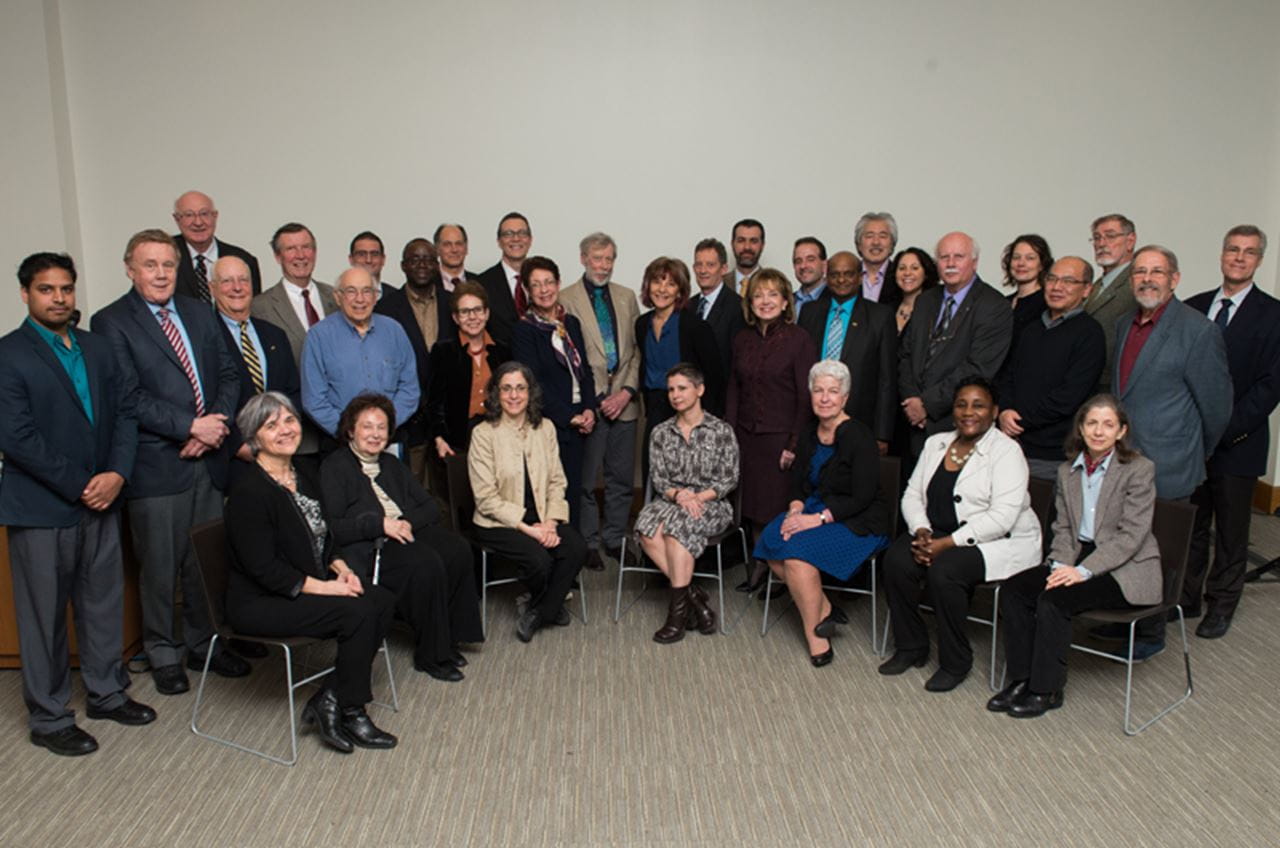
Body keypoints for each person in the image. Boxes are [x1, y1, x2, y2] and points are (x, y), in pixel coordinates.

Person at [0, 252, 155, 757]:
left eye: (66, 289)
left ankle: (107, 692)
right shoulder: (9, 355)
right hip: (42, 508)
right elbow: (17, 438)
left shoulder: (97, 347)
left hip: (103, 499)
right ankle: (49, 717)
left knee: (102, 602)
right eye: (47, 290)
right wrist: (85, 483)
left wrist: (116, 474)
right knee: (44, 616)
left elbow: (126, 413)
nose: (59, 298)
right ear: (25, 294)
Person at [91, 229, 248, 696]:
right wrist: (189, 427)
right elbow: (128, 396)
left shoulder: (201, 312)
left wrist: (214, 425)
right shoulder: (111, 321)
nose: (161, 274)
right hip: (157, 464)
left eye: (168, 265)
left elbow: (227, 372)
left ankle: (204, 644)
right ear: (129, 268)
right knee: (160, 565)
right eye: (150, 265)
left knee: (205, 561)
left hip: (208, 457)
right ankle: (163, 651)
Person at [224, 392, 398, 753]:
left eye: (289, 420)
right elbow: (265, 569)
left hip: (307, 583)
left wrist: (342, 569)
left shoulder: (303, 472)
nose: (285, 430)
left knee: (381, 599)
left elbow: (326, 534)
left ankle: (330, 698)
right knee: (358, 612)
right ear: (255, 438)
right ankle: (352, 710)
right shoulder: (248, 491)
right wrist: (327, 588)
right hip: (262, 601)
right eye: (272, 426)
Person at [988, 395, 1161, 718]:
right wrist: (1061, 564)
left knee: (1054, 602)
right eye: (1092, 423)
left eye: (1108, 424)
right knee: (1014, 591)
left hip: (1126, 566)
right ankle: (1021, 679)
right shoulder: (1068, 471)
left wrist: (1081, 571)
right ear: (1080, 428)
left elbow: (1131, 537)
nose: (1099, 431)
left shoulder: (1139, 469)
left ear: (1121, 431)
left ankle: (1046, 689)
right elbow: (1064, 527)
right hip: (1077, 554)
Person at [879, 377, 1041, 692]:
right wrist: (922, 530)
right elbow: (912, 495)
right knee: (896, 560)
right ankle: (911, 646)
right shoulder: (935, 443)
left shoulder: (1007, 452)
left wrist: (946, 544)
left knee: (945, 571)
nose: (969, 412)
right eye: (961, 404)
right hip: (939, 530)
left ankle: (956, 661)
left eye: (978, 405)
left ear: (994, 411)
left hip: (998, 539)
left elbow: (1002, 517)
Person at [320, 394, 483, 682]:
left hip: (405, 531)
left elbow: (429, 507)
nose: (375, 434)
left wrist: (405, 522)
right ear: (350, 430)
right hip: (370, 545)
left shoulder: (392, 464)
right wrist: (381, 525)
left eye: (381, 427)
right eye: (367, 427)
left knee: (458, 549)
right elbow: (335, 527)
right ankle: (431, 655)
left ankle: (452, 637)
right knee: (426, 562)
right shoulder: (335, 467)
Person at [755, 360, 890, 666]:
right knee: (772, 539)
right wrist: (795, 510)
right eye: (818, 391)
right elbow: (798, 484)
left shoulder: (859, 436)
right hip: (814, 509)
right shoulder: (808, 434)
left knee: (795, 556)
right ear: (811, 395)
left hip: (858, 520)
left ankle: (816, 638)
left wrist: (814, 520)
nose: (825, 397)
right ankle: (826, 609)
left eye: (833, 391)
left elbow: (863, 496)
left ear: (845, 397)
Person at [1183, 226, 1280, 637]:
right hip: (1190, 442)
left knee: (1231, 530)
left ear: (1259, 260)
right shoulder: (1193, 306)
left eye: (1249, 252)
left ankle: (1221, 603)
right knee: (1190, 525)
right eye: (1233, 250)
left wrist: (1223, 430)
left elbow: (1270, 386)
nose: (1239, 258)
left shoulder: (1274, 315)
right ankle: (1184, 598)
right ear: (1222, 255)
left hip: (1238, 442)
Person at [467, 363, 588, 642]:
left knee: (576, 548)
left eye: (520, 388)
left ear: (530, 392)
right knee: (539, 560)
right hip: (498, 522)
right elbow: (486, 500)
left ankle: (541, 610)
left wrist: (550, 522)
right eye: (506, 389)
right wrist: (532, 530)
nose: (513, 395)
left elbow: (558, 481)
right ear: (497, 393)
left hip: (543, 516)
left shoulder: (545, 428)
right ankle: (552, 606)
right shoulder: (483, 434)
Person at [725, 268, 818, 593]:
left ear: (785, 301)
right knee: (750, 507)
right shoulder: (743, 338)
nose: (765, 301)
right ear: (750, 303)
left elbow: (805, 397)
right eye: (758, 295)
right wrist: (730, 436)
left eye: (772, 295)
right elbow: (734, 389)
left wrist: (794, 443)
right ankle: (757, 569)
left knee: (774, 508)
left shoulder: (798, 339)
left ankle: (777, 572)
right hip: (746, 437)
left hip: (780, 438)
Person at [634, 364, 740, 643]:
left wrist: (698, 497)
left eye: (682, 388)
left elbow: (729, 478)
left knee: (676, 529)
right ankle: (695, 599)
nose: (675, 395)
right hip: (672, 500)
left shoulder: (721, 431)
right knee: (646, 527)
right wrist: (679, 495)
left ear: (699, 389)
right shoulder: (660, 432)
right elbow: (658, 478)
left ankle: (677, 616)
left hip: (712, 504)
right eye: (671, 389)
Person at [559, 233, 642, 571]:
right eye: (597, 258)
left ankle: (615, 538)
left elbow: (637, 351)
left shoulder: (626, 297)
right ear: (582, 259)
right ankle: (589, 542)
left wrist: (625, 393)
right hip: (589, 405)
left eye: (609, 259)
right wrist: (595, 400)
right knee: (584, 480)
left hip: (626, 403)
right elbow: (566, 356)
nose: (603, 265)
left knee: (621, 478)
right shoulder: (565, 299)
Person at [898, 231, 1013, 457]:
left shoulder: (994, 306)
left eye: (958, 257)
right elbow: (906, 354)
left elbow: (978, 367)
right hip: (914, 425)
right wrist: (912, 401)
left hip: (957, 424)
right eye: (944, 257)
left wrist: (927, 404)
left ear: (974, 262)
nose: (950, 263)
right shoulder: (926, 300)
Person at [997, 256, 1105, 481]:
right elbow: (1008, 374)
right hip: (1013, 444)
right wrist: (1005, 410)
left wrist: (1021, 420)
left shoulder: (1090, 334)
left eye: (1068, 281)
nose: (1057, 287)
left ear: (1086, 289)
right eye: (1052, 279)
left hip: (1054, 453)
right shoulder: (1032, 328)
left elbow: (1070, 396)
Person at [511, 256, 596, 529]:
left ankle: (573, 554)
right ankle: (558, 557)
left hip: (579, 421)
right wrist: (568, 417)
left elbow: (585, 371)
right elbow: (533, 384)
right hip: (550, 423)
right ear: (527, 290)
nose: (544, 289)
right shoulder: (525, 330)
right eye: (536, 285)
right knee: (552, 495)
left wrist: (589, 409)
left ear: (558, 284)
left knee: (575, 491)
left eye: (549, 282)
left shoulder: (569, 323)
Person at [300, 267, 419, 442]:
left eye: (366, 291)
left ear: (375, 296)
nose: (360, 299)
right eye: (351, 291)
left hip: (390, 439)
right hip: (340, 442)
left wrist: (384, 427)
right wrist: (350, 432)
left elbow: (409, 389)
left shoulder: (394, 331)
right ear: (337, 297)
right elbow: (314, 400)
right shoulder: (318, 337)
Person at [373, 238, 455, 487]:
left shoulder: (452, 303)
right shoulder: (385, 309)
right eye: (415, 259)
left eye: (429, 259)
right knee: (411, 490)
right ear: (403, 266)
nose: (422, 265)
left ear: (437, 264)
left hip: (448, 418)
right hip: (408, 421)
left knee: (453, 492)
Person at [795, 250, 897, 452]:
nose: (841, 280)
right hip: (813, 419)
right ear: (826, 277)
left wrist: (882, 434)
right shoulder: (809, 312)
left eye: (848, 274)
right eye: (834, 274)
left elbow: (887, 379)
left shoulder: (880, 316)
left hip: (860, 420)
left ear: (860, 277)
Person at [209, 255, 301, 468]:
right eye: (227, 281)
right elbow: (204, 401)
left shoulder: (274, 334)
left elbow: (292, 391)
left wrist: (281, 435)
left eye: (243, 280)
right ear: (212, 288)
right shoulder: (205, 337)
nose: (237, 288)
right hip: (233, 458)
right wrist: (237, 445)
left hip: (280, 454)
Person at [636, 257, 725, 459]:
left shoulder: (696, 327)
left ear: (680, 291)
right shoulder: (641, 325)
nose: (662, 289)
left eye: (671, 284)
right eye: (657, 281)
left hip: (688, 412)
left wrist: (707, 423)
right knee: (653, 468)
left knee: (687, 469)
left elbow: (714, 376)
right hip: (655, 409)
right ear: (648, 285)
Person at [427, 282, 510, 459]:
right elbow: (434, 403)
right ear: (456, 318)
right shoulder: (443, 352)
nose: (472, 317)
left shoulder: (503, 351)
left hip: (500, 438)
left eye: (478, 310)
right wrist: (439, 438)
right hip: (457, 443)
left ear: (486, 313)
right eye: (465, 312)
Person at [251, 222, 337, 365]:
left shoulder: (336, 297)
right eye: (291, 249)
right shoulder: (261, 307)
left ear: (315, 252)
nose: (301, 255)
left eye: (306, 247)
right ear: (278, 257)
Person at [171, 190, 262, 303]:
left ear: (215, 216)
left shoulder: (243, 260)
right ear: (176, 219)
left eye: (204, 214)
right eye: (189, 215)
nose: (198, 222)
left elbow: (253, 309)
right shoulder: (166, 256)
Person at [1084, 213, 1138, 391]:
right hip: (1089, 381)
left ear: (1130, 241)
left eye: (1110, 236)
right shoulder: (1096, 285)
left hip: (1115, 383)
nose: (1101, 243)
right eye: (1097, 238)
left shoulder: (1137, 281)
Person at [686, 237, 745, 380]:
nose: (703, 270)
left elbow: (738, 362)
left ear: (723, 269)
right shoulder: (687, 306)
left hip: (722, 394)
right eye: (698, 265)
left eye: (710, 265)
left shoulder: (738, 307)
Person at [476, 211, 533, 345]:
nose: (516, 239)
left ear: (530, 240)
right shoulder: (482, 284)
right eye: (508, 234)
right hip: (500, 363)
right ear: (499, 242)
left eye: (522, 233)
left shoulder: (543, 280)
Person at [1001, 234, 1053, 341]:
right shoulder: (1003, 302)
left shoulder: (1047, 304)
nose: (1021, 263)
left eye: (1030, 258)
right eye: (1016, 257)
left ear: (1042, 265)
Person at [882, 247, 939, 335]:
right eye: (902, 268)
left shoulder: (935, 309)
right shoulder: (887, 308)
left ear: (926, 274)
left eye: (915, 268)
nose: (907, 273)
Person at [853, 212, 898, 302]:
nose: (876, 242)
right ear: (859, 244)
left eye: (883, 236)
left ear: (892, 244)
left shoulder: (900, 277)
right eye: (869, 236)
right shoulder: (848, 276)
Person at [434, 223, 480, 289]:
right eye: (447, 244)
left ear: (466, 248)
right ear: (437, 249)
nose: (454, 250)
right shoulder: (429, 284)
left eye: (459, 244)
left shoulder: (480, 283)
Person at [728, 218, 765, 292]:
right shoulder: (718, 283)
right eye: (741, 241)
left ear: (762, 245)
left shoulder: (775, 283)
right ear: (732, 244)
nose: (747, 247)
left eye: (753, 241)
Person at [792, 237, 827, 309]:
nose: (803, 266)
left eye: (810, 260)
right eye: (798, 261)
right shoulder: (787, 301)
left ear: (824, 265)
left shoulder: (835, 299)